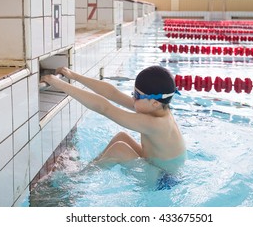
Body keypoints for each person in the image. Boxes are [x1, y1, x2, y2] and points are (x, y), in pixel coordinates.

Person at [41, 65, 186, 179]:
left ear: (154, 102)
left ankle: (79, 181)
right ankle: (88, 168)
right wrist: (74, 76)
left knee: (119, 149)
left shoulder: (156, 124)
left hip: (162, 181)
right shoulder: (155, 107)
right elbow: (113, 94)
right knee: (121, 137)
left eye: (136, 95)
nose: (133, 98)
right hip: (156, 167)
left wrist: (60, 85)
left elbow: (105, 108)